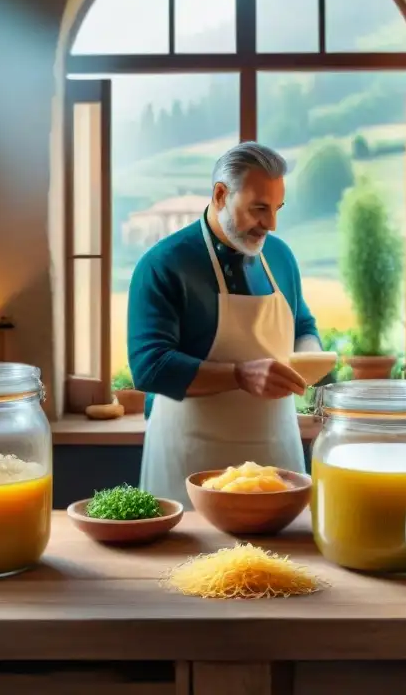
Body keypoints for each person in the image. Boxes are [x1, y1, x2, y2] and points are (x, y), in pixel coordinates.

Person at [127, 141, 325, 506]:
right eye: (258, 208)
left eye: (277, 208)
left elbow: (302, 323)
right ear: (220, 195)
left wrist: (311, 359)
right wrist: (240, 375)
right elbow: (149, 367)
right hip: (189, 459)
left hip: (276, 451)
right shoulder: (163, 264)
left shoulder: (280, 255)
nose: (271, 223)